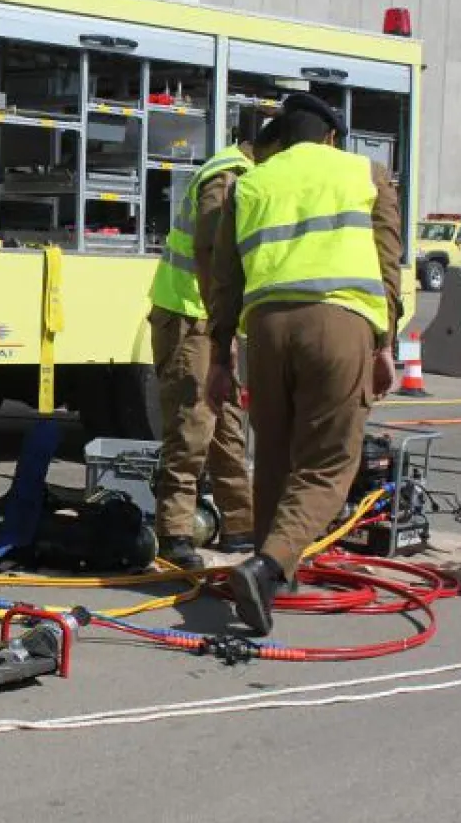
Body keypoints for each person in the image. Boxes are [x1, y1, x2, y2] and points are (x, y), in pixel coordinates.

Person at [206, 93, 403, 635]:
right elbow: (388, 265)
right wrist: (385, 346)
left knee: (272, 455)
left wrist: (221, 357)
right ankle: (269, 565)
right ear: (331, 137)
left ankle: (272, 578)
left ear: (285, 138)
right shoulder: (366, 173)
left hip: (266, 329)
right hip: (338, 323)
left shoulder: (251, 182)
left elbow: (226, 279)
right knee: (328, 464)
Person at [146, 129, 269, 570]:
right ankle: (175, 532)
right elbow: (212, 253)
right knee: (193, 424)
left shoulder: (247, 173)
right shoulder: (228, 175)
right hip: (189, 315)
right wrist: (222, 334)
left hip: (213, 319)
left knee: (228, 425)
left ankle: (240, 525)